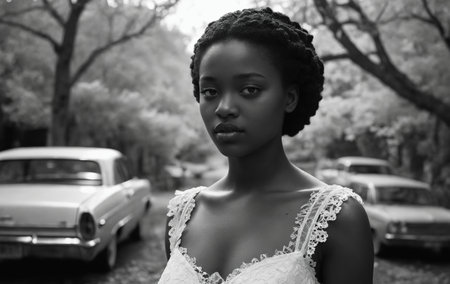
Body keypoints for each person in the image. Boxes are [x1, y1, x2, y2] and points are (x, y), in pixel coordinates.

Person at [158, 7, 373, 284]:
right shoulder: (182, 216)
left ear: (290, 98)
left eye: (250, 89)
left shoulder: (336, 218)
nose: (224, 108)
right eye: (210, 91)